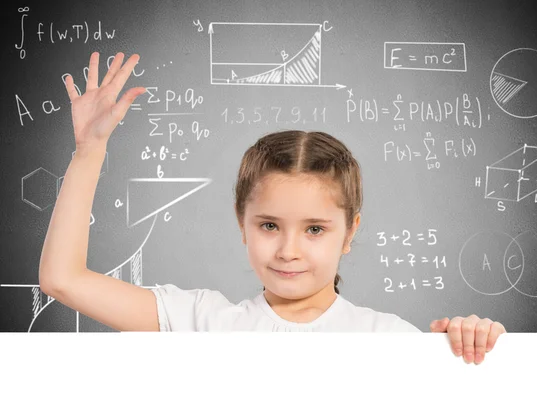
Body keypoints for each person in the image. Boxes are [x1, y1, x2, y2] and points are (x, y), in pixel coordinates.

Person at [39, 52, 506, 365]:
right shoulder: (202, 322)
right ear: (242, 224)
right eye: (268, 225)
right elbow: (63, 280)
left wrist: (474, 340)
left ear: (350, 231)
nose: (288, 249)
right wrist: (89, 151)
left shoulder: (386, 339)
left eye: (315, 230)